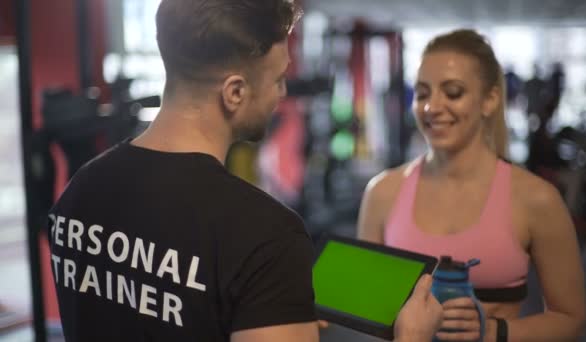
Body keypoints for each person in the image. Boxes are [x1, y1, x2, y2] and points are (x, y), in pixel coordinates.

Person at [47, 1, 442, 341]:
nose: (282, 94)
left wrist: (275, 312)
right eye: (278, 79)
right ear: (234, 92)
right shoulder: (265, 235)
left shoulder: (81, 189)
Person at [358, 29, 586, 341]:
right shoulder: (382, 193)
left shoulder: (536, 199)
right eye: (422, 93)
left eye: (452, 92)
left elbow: (570, 319)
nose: (431, 107)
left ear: (490, 99)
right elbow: (367, 312)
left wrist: (494, 331)